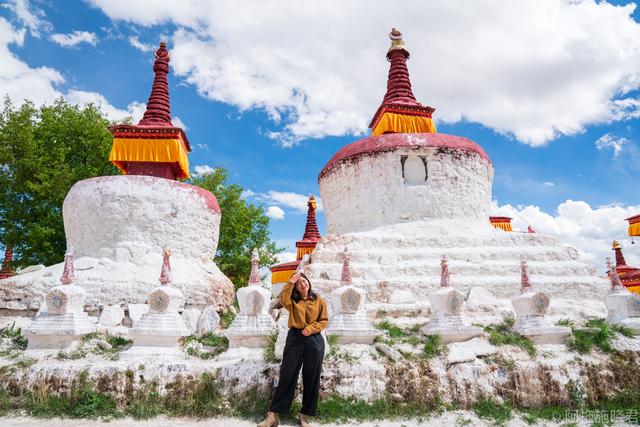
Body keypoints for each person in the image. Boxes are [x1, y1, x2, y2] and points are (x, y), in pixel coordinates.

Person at [257, 272, 328, 427]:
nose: (302, 284)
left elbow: (323, 320)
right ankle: (273, 415)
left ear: (308, 282)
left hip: (314, 340)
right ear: (296, 287)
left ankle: (304, 416)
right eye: (299, 283)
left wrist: (312, 328)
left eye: (304, 281)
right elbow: (283, 298)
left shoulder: (319, 301)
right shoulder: (292, 301)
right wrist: (290, 281)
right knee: (287, 375)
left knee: (312, 377)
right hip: (295, 338)